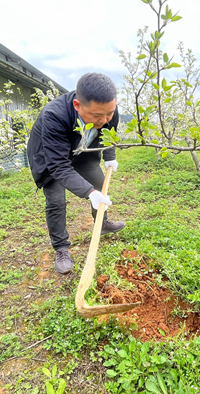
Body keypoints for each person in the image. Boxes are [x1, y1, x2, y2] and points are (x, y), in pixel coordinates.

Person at [27, 73, 126, 274]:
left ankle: (103, 223)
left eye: (109, 113)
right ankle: (61, 248)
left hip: (83, 153)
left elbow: (109, 135)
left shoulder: (108, 111)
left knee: (100, 184)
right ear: (77, 105)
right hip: (50, 158)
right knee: (56, 201)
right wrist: (88, 193)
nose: (104, 119)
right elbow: (59, 166)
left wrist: (110, 155)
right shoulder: (54, 115)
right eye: (97, 116)